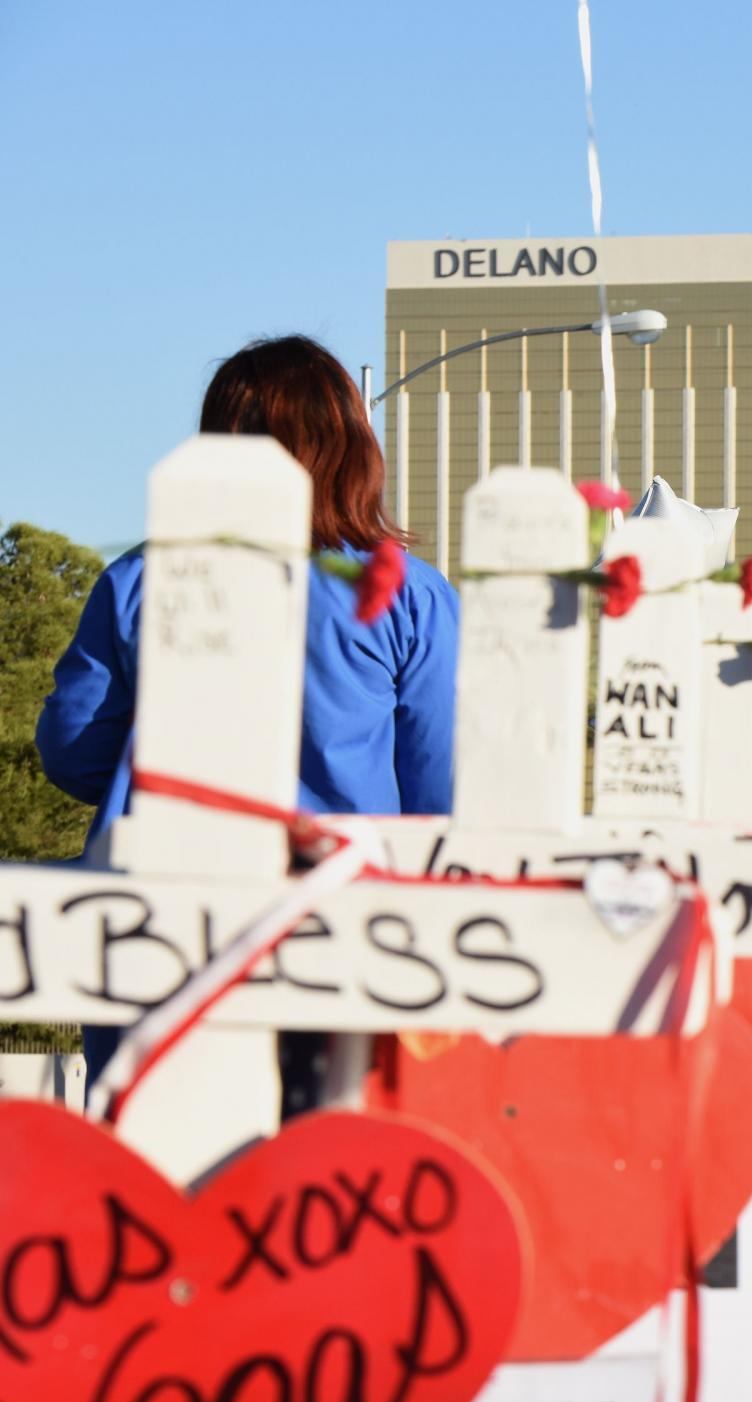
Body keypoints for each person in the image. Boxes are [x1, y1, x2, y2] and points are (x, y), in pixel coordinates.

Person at [40, 335, 459, 1093]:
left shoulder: (138, 580)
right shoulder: (409, 596)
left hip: (160, 920)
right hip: (347, 927)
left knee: (149, 1158)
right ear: (354, 447)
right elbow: (441, 789)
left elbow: (72, 747)